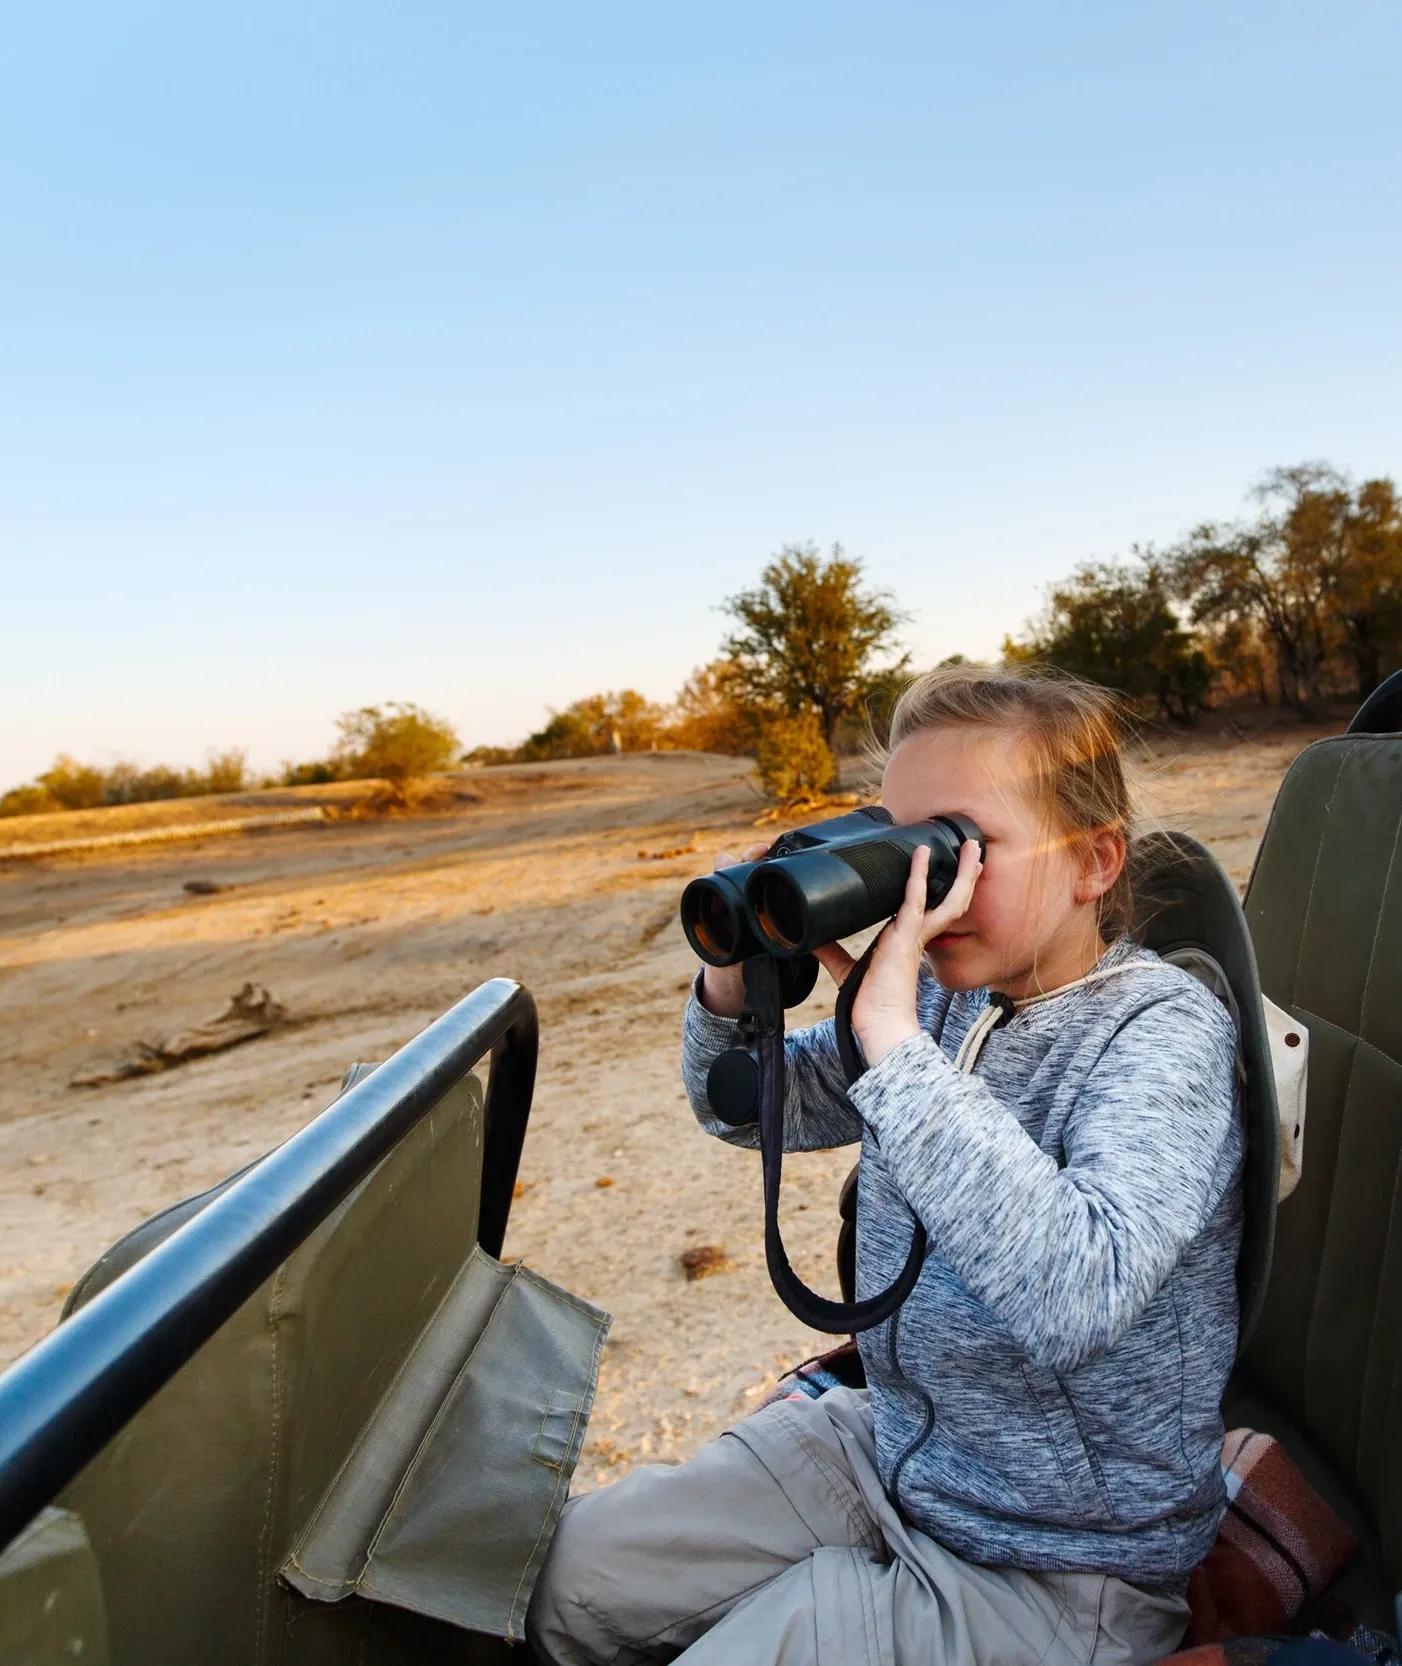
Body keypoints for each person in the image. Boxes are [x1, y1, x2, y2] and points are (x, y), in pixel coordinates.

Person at [528, 664, 1243, 1666]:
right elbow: (740, 1106)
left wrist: (893, 1044)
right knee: (564, 1581)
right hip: (895, 1449)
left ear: (1091, 860)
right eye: (900, 840)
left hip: (1061, 1558)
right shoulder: (947, 999)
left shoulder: (1160, 1032)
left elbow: (1074, 1293)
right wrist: (735, 983)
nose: (922, 884)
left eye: (959, 846)